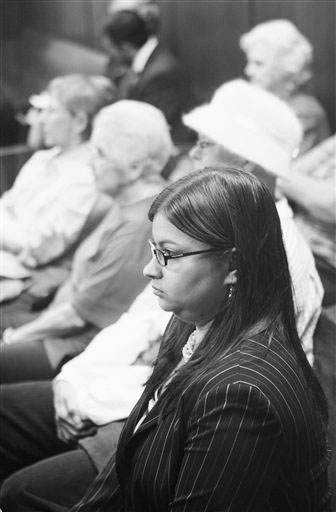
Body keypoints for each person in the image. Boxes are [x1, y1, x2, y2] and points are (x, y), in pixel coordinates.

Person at [22, 167, 330, 511]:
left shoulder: (240, 395)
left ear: (234, 265)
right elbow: (125, 471)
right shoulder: (189, 322)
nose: (150, 269)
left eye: (168, 254)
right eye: (154, 250)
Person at [0, 100, 173, 383]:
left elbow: (78, 315)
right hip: (52, 321)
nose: (90, 163)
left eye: (101, 154)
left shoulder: (142, 226)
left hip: (73, 349)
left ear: (135, 167)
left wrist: (15, 337)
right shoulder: (117, 203)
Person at [182, 79, 323, 364]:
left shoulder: (274, 253)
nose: (193, 153)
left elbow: (230, 366)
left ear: (246, 159)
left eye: (204, 144)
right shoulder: (224, 221)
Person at [0, 74, 116, 269]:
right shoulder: (41, 159)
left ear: (79, 122)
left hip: (28, 278)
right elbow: (6, 203)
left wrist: (12, 222)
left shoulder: (90, 176)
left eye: (51, 111)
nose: (41, 120)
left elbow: (38, 247)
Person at [240, 19, 331, 155]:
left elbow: (280, 170)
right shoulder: (263, 102)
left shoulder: (305, 113)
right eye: (249, 61)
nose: (249, 71)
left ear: (287, 67)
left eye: (258, 63)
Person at [102, 9, 189, 144]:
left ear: (126, 47)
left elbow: (155, 125)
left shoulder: (162, 74)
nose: (111, 56)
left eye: (110, 50)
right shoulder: (141, 62)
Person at [278, 135, 336, 306]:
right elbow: (286, 169)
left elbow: (328, 204)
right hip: (294, 240)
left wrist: (280, 176)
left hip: (324, 264)